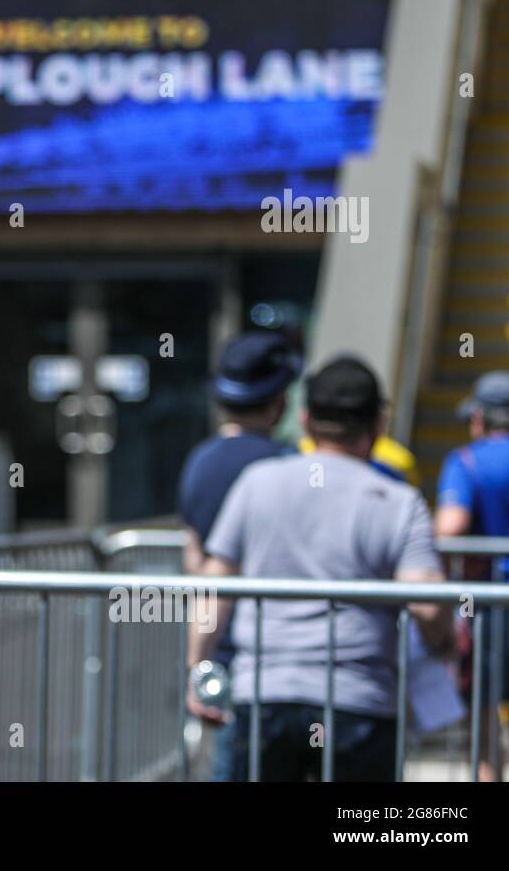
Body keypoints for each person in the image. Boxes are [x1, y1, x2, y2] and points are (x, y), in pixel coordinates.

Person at [186, 355, 453, 781]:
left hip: (265, 692)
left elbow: (216, 587)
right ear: (378, 425)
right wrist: (443, 647)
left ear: (306, 419)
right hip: (359, 700)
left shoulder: (257, 483)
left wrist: (199, 669)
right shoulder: (398, 501)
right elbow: (428, 603)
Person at [177, 332, 298, 779]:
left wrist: (197, 666)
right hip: (282, 657)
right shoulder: (288, 466)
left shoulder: (200, 462)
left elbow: (197, 562)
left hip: (222, 654)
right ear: (280, 402)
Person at [435, 370, 509, 781]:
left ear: (482, 418)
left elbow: (450, 526)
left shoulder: (466, 461)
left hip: (490, 609)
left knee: (485, 731)